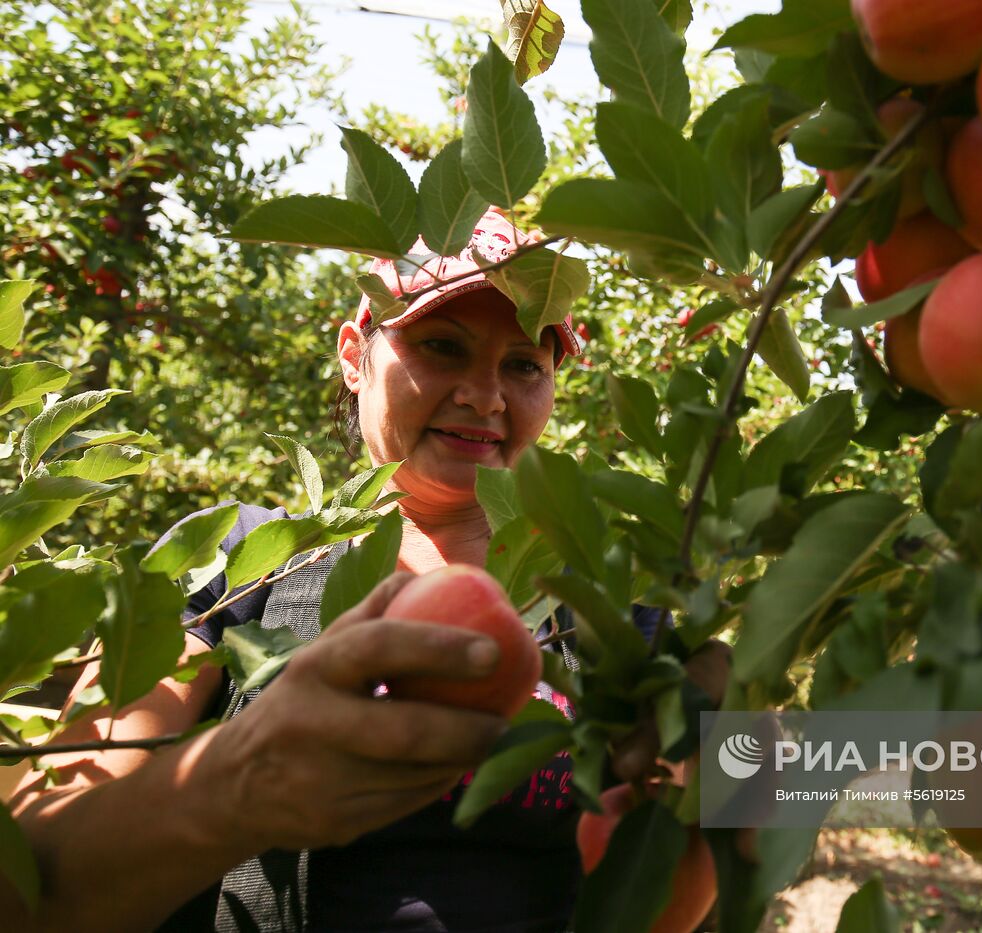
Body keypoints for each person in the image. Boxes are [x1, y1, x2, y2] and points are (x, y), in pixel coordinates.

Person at [4, 209, 731, 932]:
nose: (485, 393)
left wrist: (755, 775)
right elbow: (39, 861)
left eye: (522, 364)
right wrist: (238, 782)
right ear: (355, 355)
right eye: (443, 346)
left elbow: (719, 863)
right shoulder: (232, 560)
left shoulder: (614, 598)